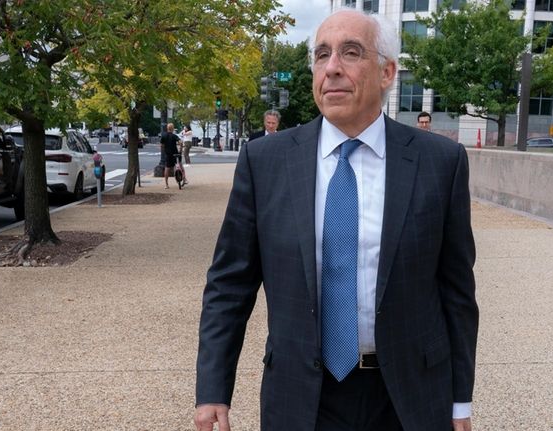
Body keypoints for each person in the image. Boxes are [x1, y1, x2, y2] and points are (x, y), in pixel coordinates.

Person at [194, 9, 478, 431]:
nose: (332, 69)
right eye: (322, 54)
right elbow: (229, 283)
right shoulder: (266, 161)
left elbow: (456, 293)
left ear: (386, 73)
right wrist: (213, 389)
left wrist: (460, 403)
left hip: (409, 396)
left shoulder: (440, 162)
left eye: (350, 53)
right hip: (300, 395)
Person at [160, 123, 186, 189]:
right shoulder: (174, 136)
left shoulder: (164, 136)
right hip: (175, 153)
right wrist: (180, 149)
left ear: (167, 128)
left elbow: (161, 145)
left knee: (167, 168)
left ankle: (166, 184)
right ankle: (184, 178)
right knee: (179, 165)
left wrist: (164, 149)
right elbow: (180, 142)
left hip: (168, 154)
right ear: (173, 129)